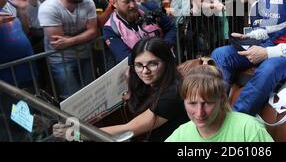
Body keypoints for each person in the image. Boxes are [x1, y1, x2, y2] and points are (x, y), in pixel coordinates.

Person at [54, 37, 189, 142]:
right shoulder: (151, 84)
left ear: (167, 63)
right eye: (139, 65)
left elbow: (128, 130)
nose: (144, 71)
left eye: (152, 64)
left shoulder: (172, 94)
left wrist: (77, 133)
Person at [165, 65, 273, 142]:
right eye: (192, 103)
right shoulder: (180, 134)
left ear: (221, 100)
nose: (199, 113)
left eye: (208, 103)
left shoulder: (249, 129)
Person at [38, 0, 98, 99]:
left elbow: (93, 31)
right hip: (60, 60)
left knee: (92, 95)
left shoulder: (88, 2)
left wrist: (70, 40)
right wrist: (83, 37)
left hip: (85, 55)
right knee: (71, 98)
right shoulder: (49, 8)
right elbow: (58, 43)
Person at [103, 0, 176, 62]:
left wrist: (165, 45)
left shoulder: (149, 8)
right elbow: (125, 57)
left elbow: (171, 28)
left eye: (133, 0)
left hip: (165, 60)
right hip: (141, 69)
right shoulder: (110, 28)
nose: (132, 5)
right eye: (126, 2)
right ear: (113, 3)